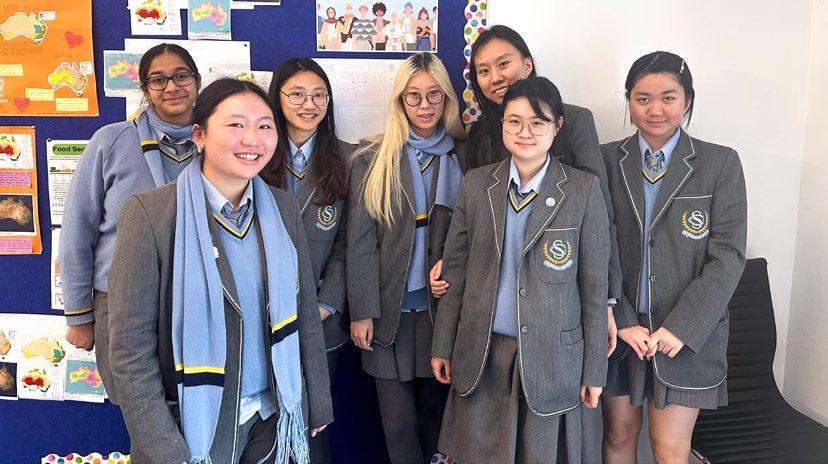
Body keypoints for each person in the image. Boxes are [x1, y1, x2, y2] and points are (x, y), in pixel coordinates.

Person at [107, 78, 333, 464]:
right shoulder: (150, 214)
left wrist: (317, 402)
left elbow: (304, 312)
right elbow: (130, 350)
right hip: (194, 423)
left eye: (264, 126)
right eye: (236, 125)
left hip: (274, 414)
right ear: (199, 135)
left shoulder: (282, 208)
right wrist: (164, 448)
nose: (252, 139)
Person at [431, 76, 609, 464]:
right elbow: (455, 275)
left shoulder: (583, 191)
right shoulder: (477, 184)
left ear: (557, 126)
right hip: (482, 352)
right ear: (502, 123)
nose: (525, 132)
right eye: (514, 121)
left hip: (551, 359)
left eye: (537, 122)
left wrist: (595, 371)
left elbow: (595, 290)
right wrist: (442, 344)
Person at [432, 24, 618, 361]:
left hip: (555, 298)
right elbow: (475, 217)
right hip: (493, 307)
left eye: (503, 64)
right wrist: (453, 259)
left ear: (527, 64)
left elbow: (599, 218)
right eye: (483, 71)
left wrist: (607, 300)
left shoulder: (573, 120)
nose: (495, 78)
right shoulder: (479, 135)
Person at [600, 51, 747, 464]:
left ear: (687, 100)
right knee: (617, 435)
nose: (655, 110)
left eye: (668, 97)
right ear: (628, 101)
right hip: (621, 332)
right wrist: (622, 319)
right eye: (642, 98)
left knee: (669, 449)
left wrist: (681, 327)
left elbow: (728, 256)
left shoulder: (720, 163)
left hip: (687, 336)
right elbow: (597, 246)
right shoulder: (605, 160)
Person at [60, 43, 201, 405]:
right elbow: (77, 230)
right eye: (158, 80)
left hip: (197, 299)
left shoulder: (219, 142)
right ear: (145, 89)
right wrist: (79, 315)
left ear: (197, 81)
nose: (172, 87)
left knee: (196, 409)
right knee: (140, 410)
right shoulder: (111, 141)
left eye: (181, 76)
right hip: (120, 302)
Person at [347, 52, 465, 464]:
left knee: (436, 420)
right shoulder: (371, 157)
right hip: (387, 312)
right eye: (413, 96)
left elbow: (480, 235)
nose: (424, 105)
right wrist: (362, 310)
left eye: (434, 95)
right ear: (400, 101)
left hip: (443, 310)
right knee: (397, 426)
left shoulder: (466, 155)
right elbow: (360, 241)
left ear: (447, 98)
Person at [261, 57, 353, 464]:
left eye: (319, 95)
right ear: (277, 99)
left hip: (320, 317)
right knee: (266, 420)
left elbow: (349, 243)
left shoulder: (348, 159)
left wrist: (326, 304)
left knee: (314, 420)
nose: (309, 104)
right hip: (263, 314)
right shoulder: (255, 154)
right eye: (297, 94)